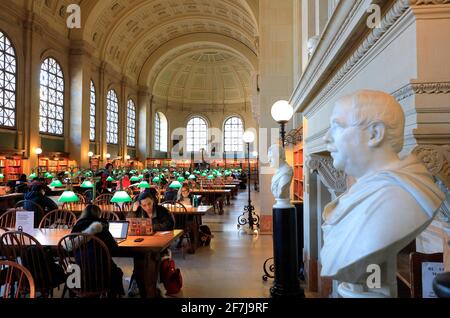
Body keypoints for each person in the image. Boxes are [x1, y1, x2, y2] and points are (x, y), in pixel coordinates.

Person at [320, 90, 444, 297]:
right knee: (372, 274)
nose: (326, 138)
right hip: (368, 281)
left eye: (337, 126)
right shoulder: (366, 190)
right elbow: (371, 271)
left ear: (375, 134)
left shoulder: (400, 196)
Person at [71, 204, 125, 297]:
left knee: (72, 267)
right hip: (100, 272)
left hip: (79, 270)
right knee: (117, 272)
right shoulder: (101, 227)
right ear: (99, 215)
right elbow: (114, 249)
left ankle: (78, 291)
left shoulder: (76, 227)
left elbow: (70, 249)